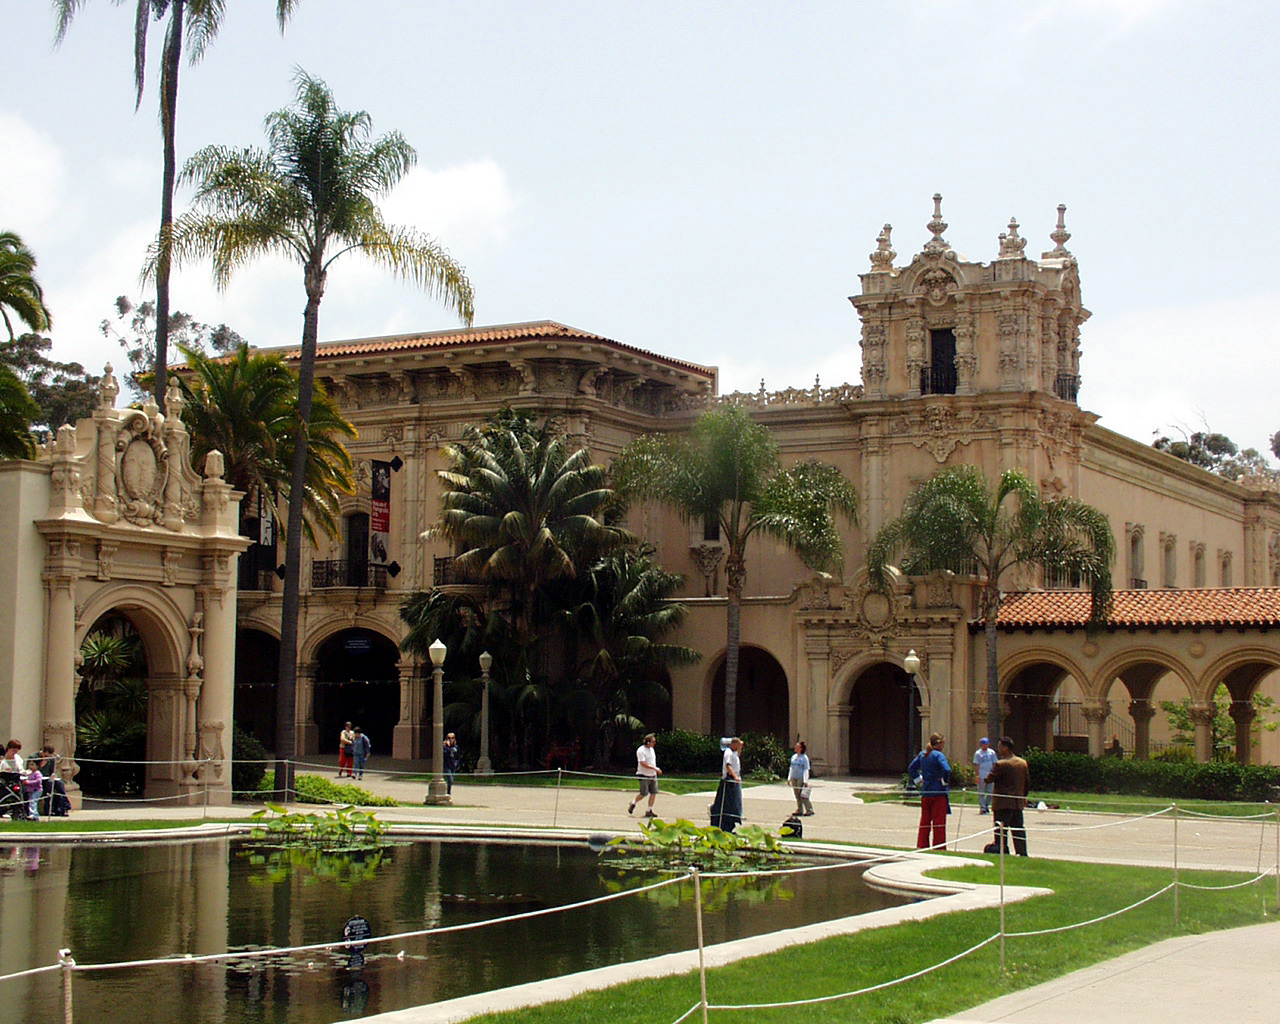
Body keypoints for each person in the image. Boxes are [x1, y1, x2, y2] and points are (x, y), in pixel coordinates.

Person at [907, 732, 950, 850]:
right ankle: (939, 846)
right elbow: (947, 769)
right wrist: (944, 781)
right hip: (938, 792)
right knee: (939, 822)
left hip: (926, 791)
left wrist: (919, 780)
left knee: (925, 821)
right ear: (940, 744)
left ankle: (922, 845)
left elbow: (912, 768)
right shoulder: (938, 755)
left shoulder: (923, 754)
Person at [988, 736, 1030, 856]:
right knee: (1018, 829)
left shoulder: (1001, 764)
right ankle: (1022, 852)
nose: (998, 749)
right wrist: (1023, 796)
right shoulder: (1022, 763)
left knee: (1001, 829)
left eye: (1000, 746)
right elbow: (1027, 782)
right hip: (1017, 802)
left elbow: (989, 779)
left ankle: (1002, 850)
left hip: (1002, 803)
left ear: (1006, 748)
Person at [710, 737, 744, 832]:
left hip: (735, 780)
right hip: (729, 779)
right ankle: (723, 823)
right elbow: (728, 765)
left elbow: (738, 756)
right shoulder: (728, 752)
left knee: (735, 803)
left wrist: (740, 747)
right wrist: (734, 776)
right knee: (728, 803)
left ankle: (731, 823)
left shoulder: (734, 752)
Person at [628, 733, 662, 817]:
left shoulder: (652, 750)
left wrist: (655, 770)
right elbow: (643, 763)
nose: (654, 743)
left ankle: (649, 810)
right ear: (648, 742)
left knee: (654, 792)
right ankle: (633, 803)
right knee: (644, 793)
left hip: (652, 775)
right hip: (643, 775)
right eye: (653, 742)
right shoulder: (641, 750)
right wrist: (655, 769)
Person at [29, 748, 70, 817]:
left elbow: (52, 771)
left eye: (48, 757)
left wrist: (53, 775)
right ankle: (48, 808)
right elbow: (30, 769)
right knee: (49, 785)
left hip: (47, 778)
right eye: (45, 756)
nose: (46, 758)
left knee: (60, 784)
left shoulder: (51, 759)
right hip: (37, 779)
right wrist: (41, 763)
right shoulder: (34, 757)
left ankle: (64, 807)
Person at [973, 737, 997, 815]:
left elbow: (994, 763)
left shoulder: (991, 752)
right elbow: (977, 765)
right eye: (983, 744)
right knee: (981, 792)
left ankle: (987, 805)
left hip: (989, 774)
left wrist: (994, 773)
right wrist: (977, 775)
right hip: (982, 774)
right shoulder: (978, 753)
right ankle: (982, 807)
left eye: (986, 744)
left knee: (990, 792)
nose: (985, 746)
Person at [788, 740, 813, 816]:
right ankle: (799, 809)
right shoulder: (794, 757)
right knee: (796, 794)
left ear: (801, 748)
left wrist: (805, 781)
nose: (795, 748)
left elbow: (806, 769)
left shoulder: (804, 758)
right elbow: (791, 768)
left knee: (802, 795)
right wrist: (789, 778)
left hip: (801, 778)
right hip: (794, 777)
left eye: (797, 746)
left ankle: (809, 809)